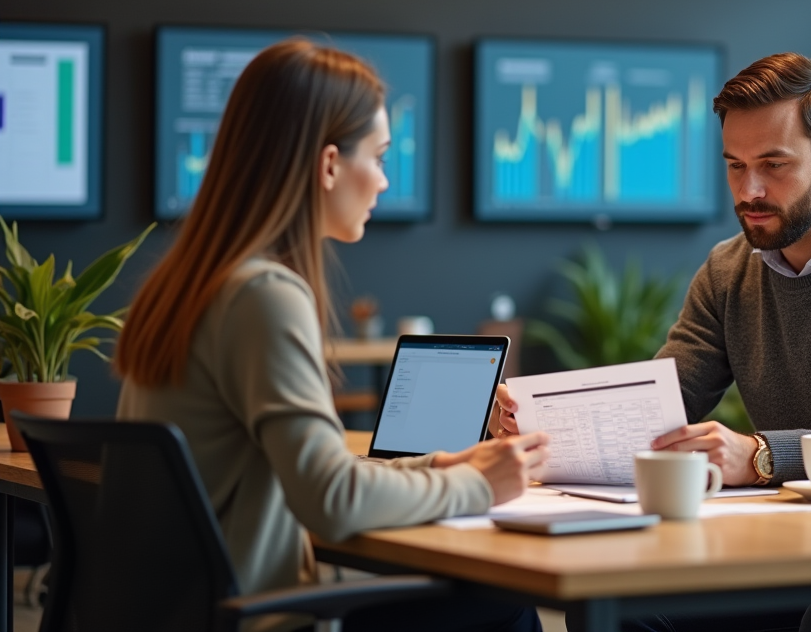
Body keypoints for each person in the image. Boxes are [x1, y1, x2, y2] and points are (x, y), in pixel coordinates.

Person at [492, 53, 811, 632]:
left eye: (773, 164)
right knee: (618, 611)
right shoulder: (729, 269)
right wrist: (540, 426)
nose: (751, 190)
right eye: (735, 166)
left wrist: (761, 456)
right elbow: (663, 402)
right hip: (808, 549)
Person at [115, 40, 549, 632]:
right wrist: (474, 485)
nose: (384, 182)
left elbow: (318, 478)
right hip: (255, 618)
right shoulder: (263, 296)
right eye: (379, 156)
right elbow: (331, 498)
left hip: (180, 612)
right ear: (327, 166)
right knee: (503, 605)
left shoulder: (187, 285)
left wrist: (441, 466)